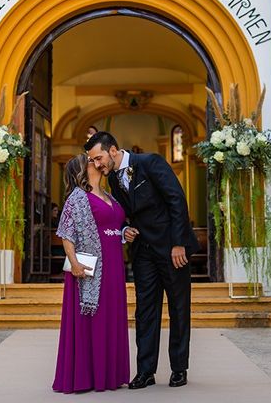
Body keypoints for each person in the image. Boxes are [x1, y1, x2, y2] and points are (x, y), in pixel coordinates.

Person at [85, 132, 200, 389]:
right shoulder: (113, 177)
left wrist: (178, 243)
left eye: (99, 158)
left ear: (113, 150)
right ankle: (145, 371)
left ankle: (179, 368)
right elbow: (124, 213)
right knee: (145, 312)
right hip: (143, 253)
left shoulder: (151, 162)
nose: (97, 165)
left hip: (172, 249)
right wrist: (125, 229)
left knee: (179, 309)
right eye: (93, 161)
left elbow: (176, 200)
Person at [52, 154, 132, 393]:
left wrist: (125, 231)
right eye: (90, 162)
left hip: (114, 264)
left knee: (111, 315)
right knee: (92, 318)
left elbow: (115, 225)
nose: (97, 163)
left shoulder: (108, 195)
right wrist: (74, 262)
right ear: (82, 171)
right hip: (88, 268)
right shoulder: (77, 197)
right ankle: (86, 376)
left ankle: (109, 374)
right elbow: (67, 233)